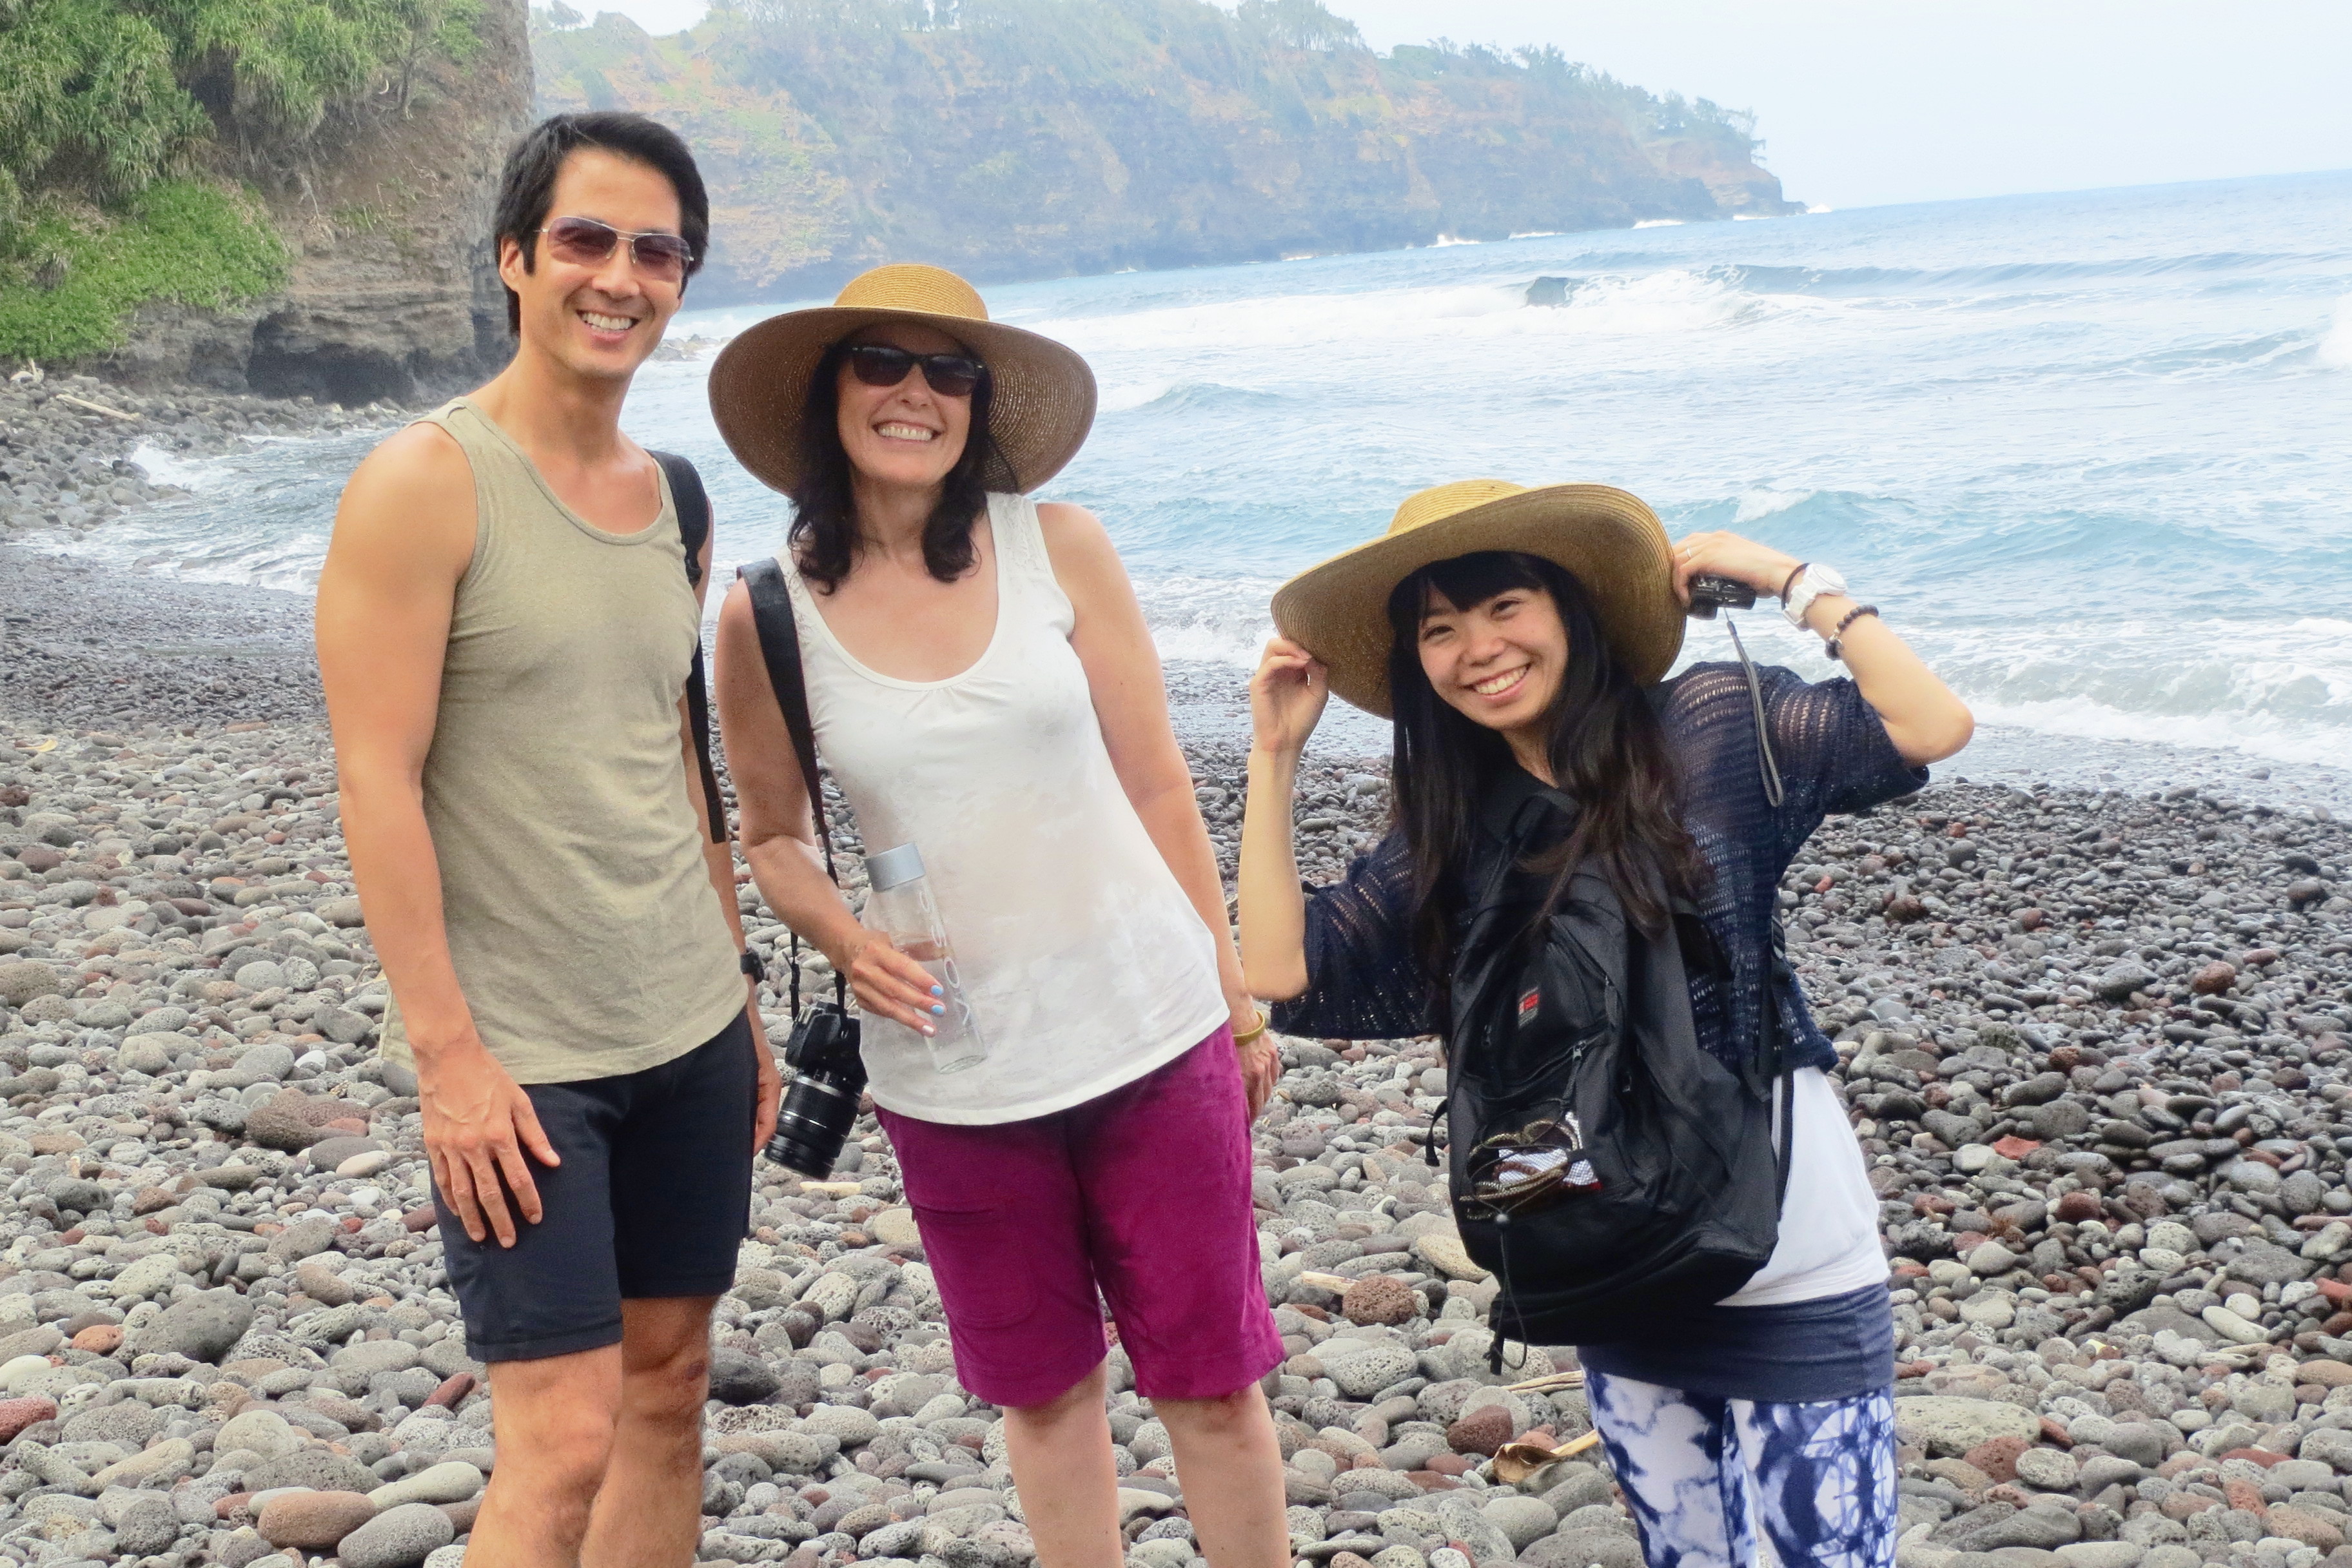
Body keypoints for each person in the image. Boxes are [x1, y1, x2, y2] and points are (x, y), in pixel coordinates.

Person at [1237, 480, 1974, 1568]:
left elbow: (1930, 726)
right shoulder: (1451, 834)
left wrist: (1793, 581)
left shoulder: (1705, 731)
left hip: (1785, 1236)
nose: (1478, 650)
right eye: (1439, 630)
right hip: (1606, 1245)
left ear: (1571, 609)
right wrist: (1274, 756)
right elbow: (1279, 968)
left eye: (1504, 607)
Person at [706, 263, 1289, 1568]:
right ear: (829, 395)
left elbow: (1157, 782)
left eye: (949, 371)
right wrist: (845, 938)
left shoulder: (1058, 545)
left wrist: (1236, 998)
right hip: (956, 1072)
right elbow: (775, 836)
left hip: (1152, 1028)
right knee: (1046, 1391)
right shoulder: (764, 612)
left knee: (1210, 1379)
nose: (915, 393)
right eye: (881, 364)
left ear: (977, 404)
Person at [315, 112, 774, 1568]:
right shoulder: (425, 482)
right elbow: (376, 781)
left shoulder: (676, 498)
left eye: (658, 252)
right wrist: (448, 1060)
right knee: (562, 1437)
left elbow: (680, 759)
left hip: (687, 1021)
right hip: (524, 1058)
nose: (619, 277)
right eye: (585, 239)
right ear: (515, 257)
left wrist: (740, 991)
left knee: (669, 1388)